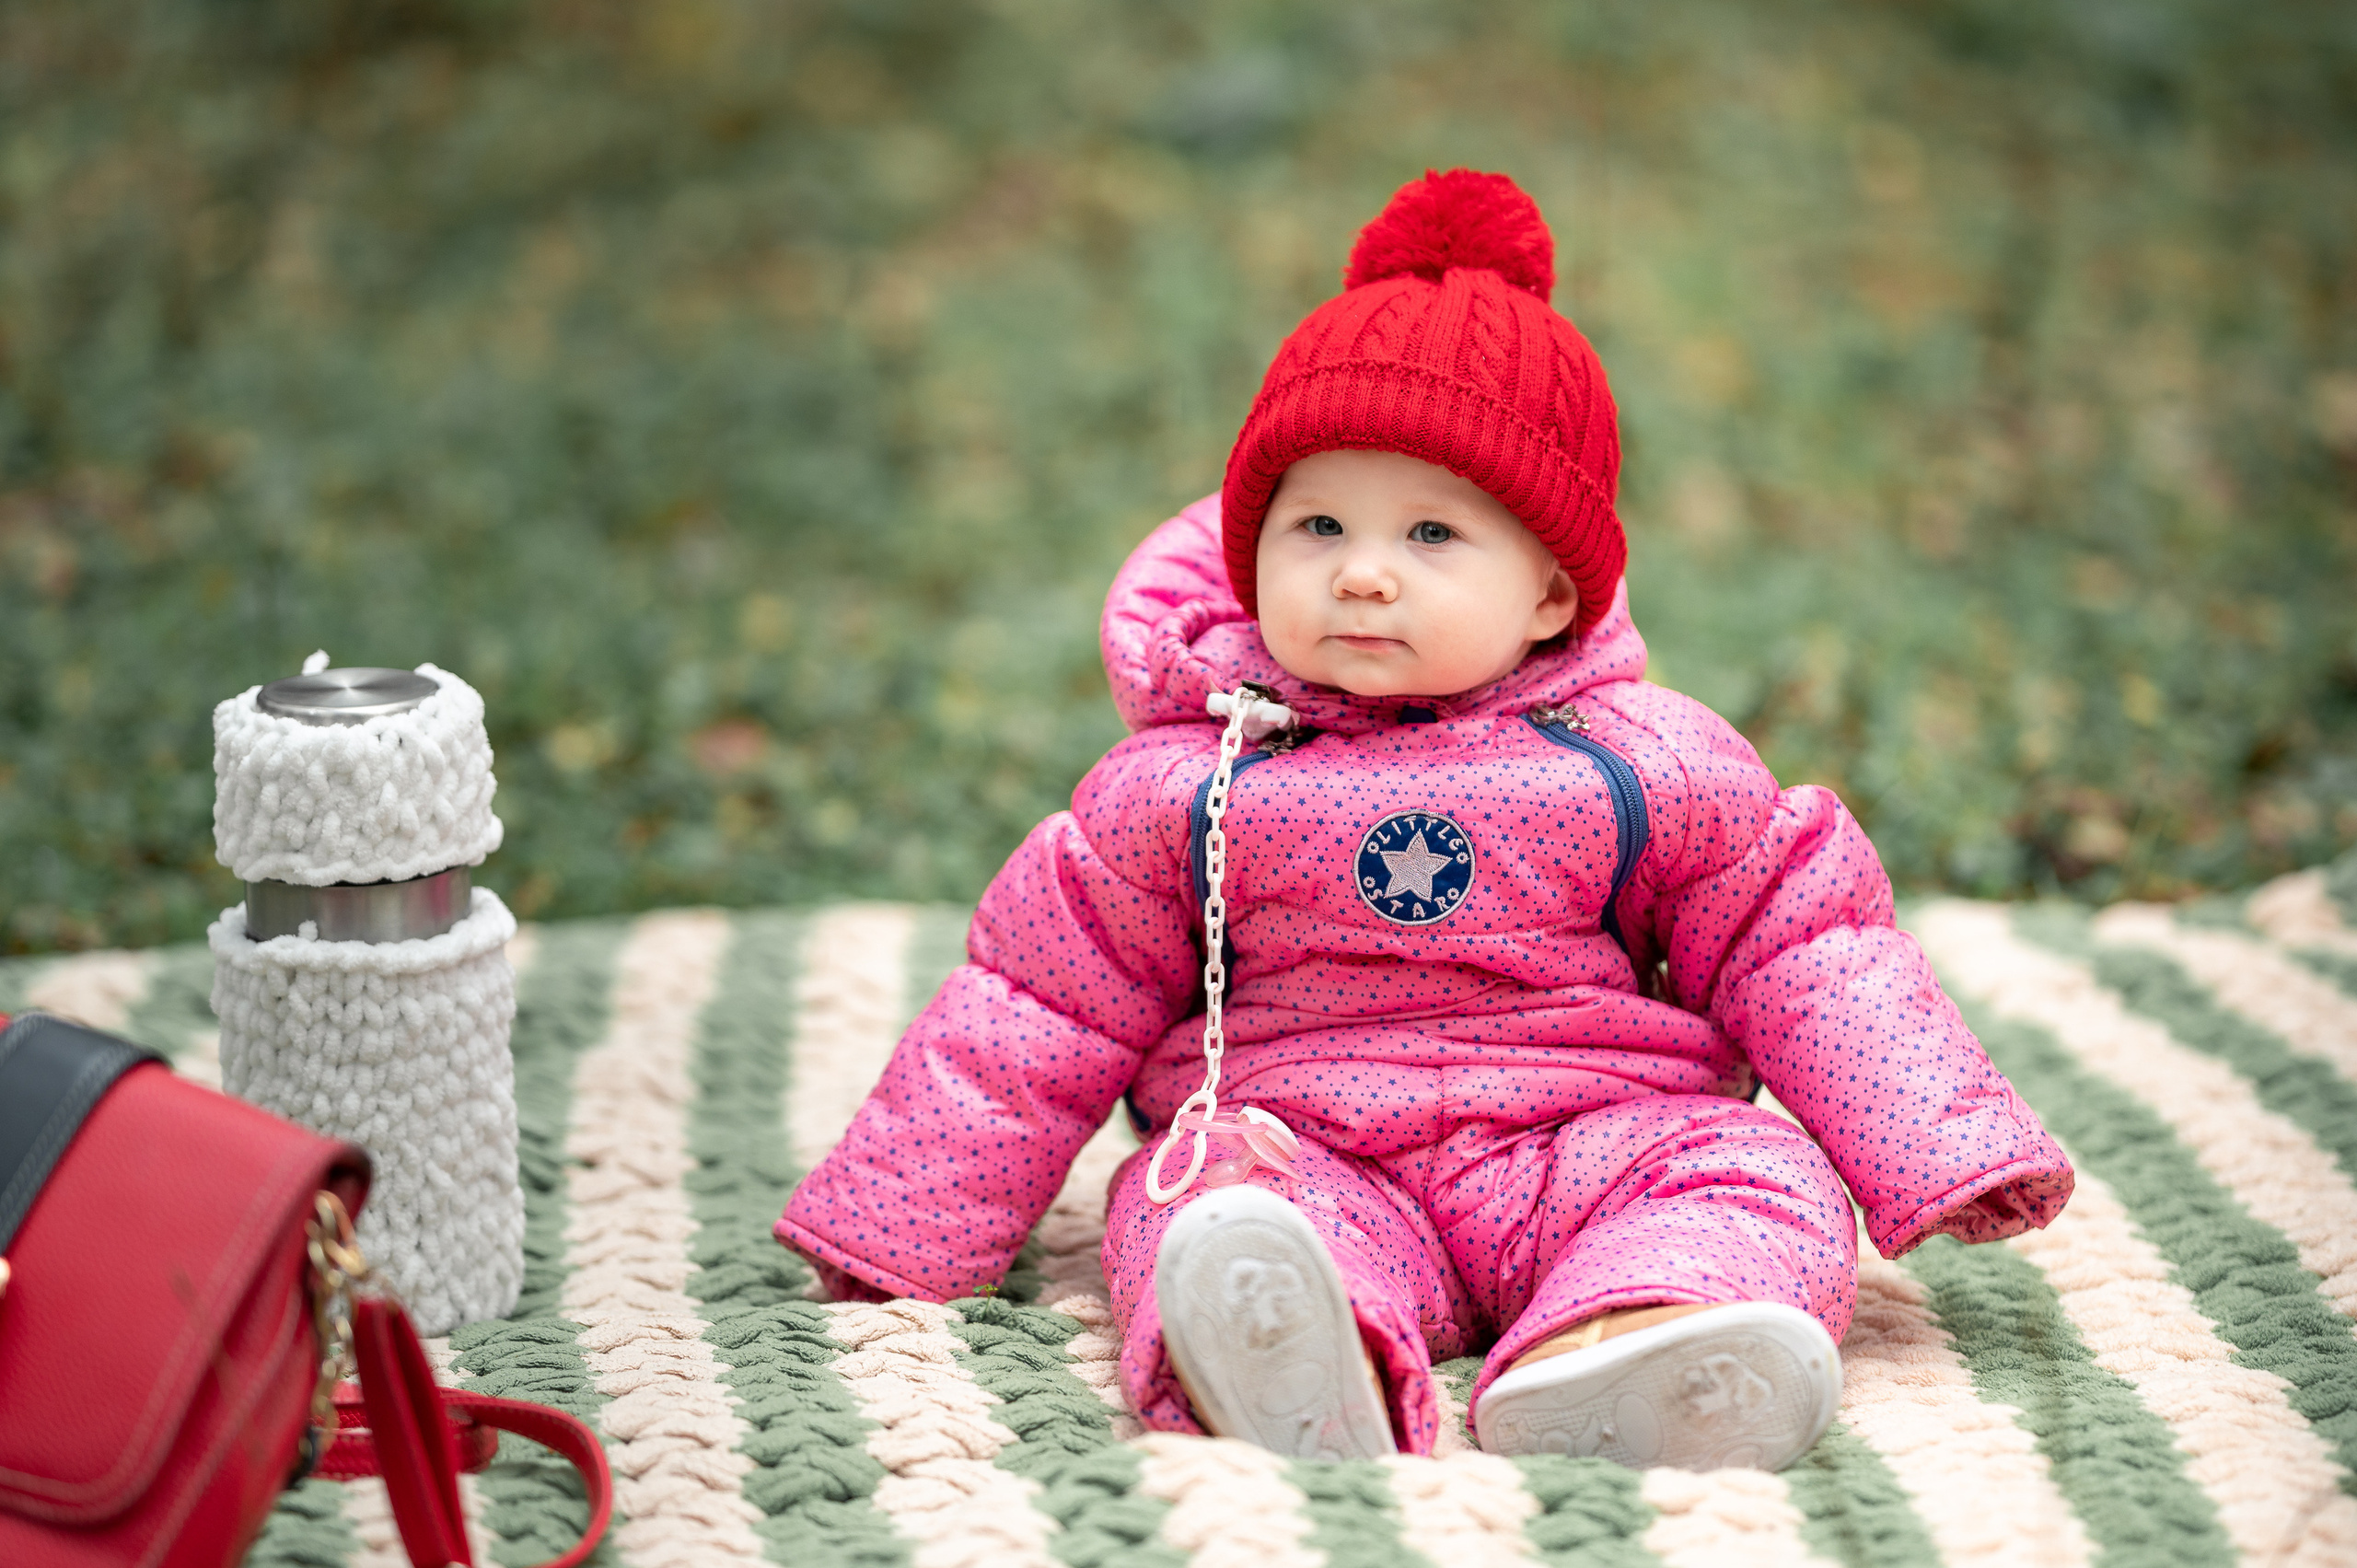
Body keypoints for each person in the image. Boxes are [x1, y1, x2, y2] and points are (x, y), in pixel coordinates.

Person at [777, 169, 2072, 1469]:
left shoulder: (1646, 766)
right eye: (1318, 522)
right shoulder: (1189, 786)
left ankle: (1633, 1336)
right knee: (1201, 1195)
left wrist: (1939, 1144)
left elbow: (1804, 944)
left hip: (1588, 1139)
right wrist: (906, 1229)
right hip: (1313, 1146)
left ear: (1553, 596)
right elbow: (1034, 1013)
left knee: (1754, 1173)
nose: (1363, 570)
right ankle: (1307, 1347)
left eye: (1434, 532)